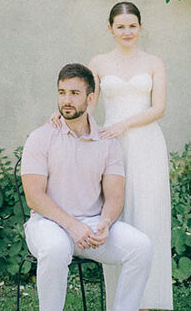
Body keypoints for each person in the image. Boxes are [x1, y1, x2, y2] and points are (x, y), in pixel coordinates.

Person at [52, 3, 172, 311]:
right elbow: (87, 101)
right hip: (110, 146)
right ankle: (123, 301)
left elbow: (158, 108)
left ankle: (148, 300)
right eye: (121, 27)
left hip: (146, 144)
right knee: (117, 214)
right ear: (110, 29)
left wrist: (124, 124)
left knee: (147, 216)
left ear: (140, 27)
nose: (127, 32)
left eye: (132, 26)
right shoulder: (99, 61)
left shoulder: (154, 62)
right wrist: (62, 116)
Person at [21, 62, 153, 311]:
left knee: (141, 247)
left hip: (91, 224)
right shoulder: (40, 137)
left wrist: (104, 223)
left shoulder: (107, 143)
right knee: (56, 248)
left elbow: (115, 196)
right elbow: (34, 197)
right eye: (62, 92)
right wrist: (72, 226)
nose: (66, 100)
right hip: (48, 224)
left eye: (74, 93)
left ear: (90, 98)